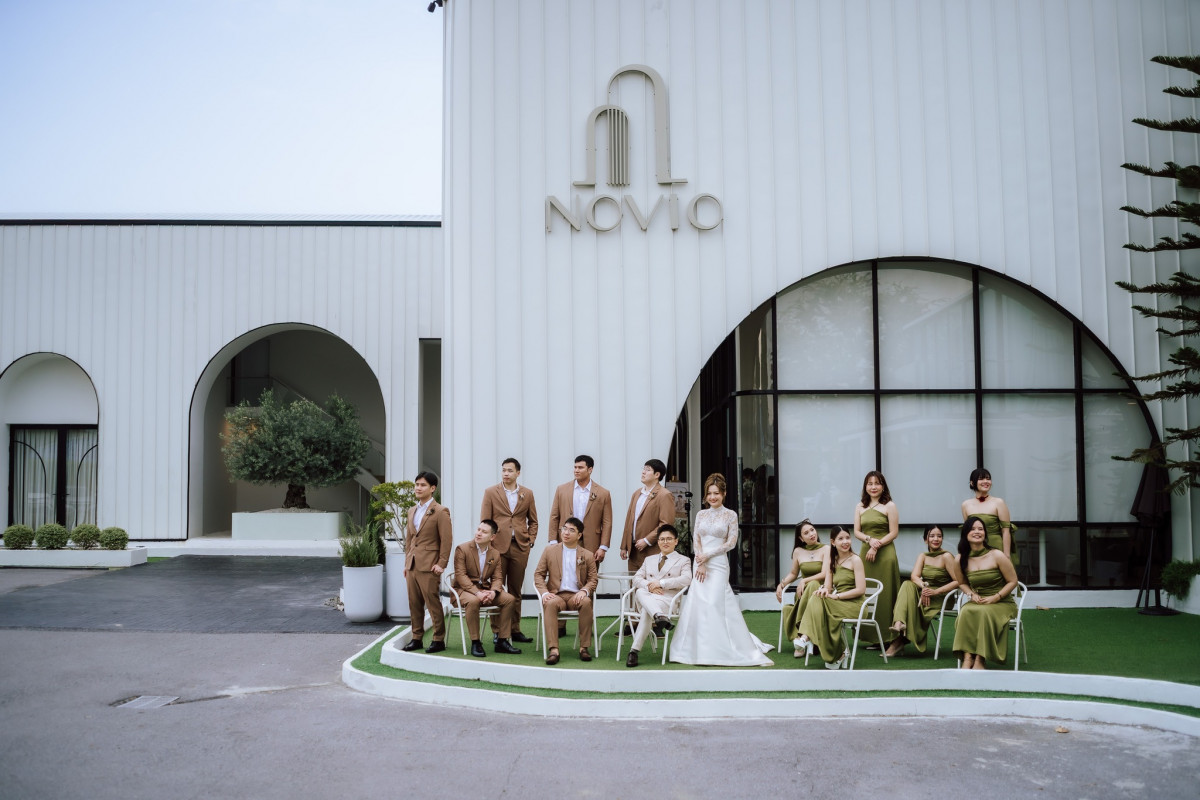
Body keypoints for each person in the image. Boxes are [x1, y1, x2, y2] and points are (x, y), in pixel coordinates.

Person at [669, 473, 773, 667]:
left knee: (714, 603)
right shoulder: (700, 514)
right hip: (700, 563)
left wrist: (707, 556)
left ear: (723, 494)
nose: (712, 497)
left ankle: (720, 648)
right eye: (709, 493)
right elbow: (696, 539)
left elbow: (731, 543)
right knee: (699, 603)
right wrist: (700, 561)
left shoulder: (730, 515)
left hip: (718, 564)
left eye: (716, 493)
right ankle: (696, 649)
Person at [479, 457, 538, 643]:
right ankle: (497, 631)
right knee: (496, 589)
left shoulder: (527, 493)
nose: (506, 473)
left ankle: (515, 629)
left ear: (518, 473)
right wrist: (488, 545)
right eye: (504, 470)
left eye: (510, 470)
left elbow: (533, 521)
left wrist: (530, 540)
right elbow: (485, 521)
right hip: (497, 547)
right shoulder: (491, 492)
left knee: (515, 590)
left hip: (520, 547)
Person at [884, 525, 962, 657]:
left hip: (942, 597)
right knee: (907, 584)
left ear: (942, 539)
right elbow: (914, 576)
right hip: (925, 594)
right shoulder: (923, 556)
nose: (936, 539)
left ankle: (899, 640)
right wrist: (924, 586)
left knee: (911, 603)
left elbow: (958, 581)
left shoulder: (946, 556)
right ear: (926, 539)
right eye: (932, 536)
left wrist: (936, 592)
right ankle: (899, 623)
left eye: (939, 536)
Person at [952, 515, 1019, 669]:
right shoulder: (960, 559)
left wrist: (996, 597)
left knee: (984, 613)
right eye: (973, 529)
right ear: (966, 534)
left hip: (1002, 602)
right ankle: (967, 657)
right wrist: (972, 594)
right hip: (979, 600)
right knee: (965, 611)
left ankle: (980, 659)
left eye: (980, 529)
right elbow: (962, 583)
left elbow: (1013, 581)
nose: (977, 532)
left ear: (985, 534)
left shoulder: (997, 555)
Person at [796, 525, 866, 669]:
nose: (845, 542)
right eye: (841, 539)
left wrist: (837, 596)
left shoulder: (855, 560)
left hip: (856, 606)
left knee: (820, 604)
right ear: (833, 542)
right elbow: (828, 588)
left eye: (847, 538)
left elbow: (861, 590)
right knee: (816, 596)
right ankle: (836, 651)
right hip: (838, 604)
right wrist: (823, 590)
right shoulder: (832, 561)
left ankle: (806, 636)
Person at [451, 520, 523, 657]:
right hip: (462, 591)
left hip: (484, 590)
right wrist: (477, 593)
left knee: (509, 599)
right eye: (478, 529)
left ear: (492, 537)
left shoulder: (495, 554)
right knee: (473, 601)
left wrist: (493, 592)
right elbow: (461, 576)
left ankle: (502, 641)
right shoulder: (462, 549)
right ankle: (476, 642)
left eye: (484, 532)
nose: (479, 533)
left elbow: (497, 578)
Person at [533, 517, 598, 664]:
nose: (566, 533)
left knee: (586, 602)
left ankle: (584, 648)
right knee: (550, 603)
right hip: (556, 595)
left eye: (571, 530)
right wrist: (544, 593)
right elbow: (538, 574)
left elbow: (593, 579)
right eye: (564, 528)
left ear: (579, 535)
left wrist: (584, 591)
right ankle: (554, 650)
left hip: (576, 595)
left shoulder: (587, 555)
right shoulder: (549, 550)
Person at [625, 524, 692, 668]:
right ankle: (659, 616)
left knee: (646, 611)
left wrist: (661, 583)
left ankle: (634, 651)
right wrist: (650, 585)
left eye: (669, 539)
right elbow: (636, 578)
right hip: (648, 596)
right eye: (662, 539)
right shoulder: (649, 559)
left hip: (667, 601)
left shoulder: (683, 560)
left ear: (676, 541)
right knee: (640, 591)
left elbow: (687, 579)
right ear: (658, 542)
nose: (665, 542)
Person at [402, 471, 453, 654]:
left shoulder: (440, 511)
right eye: (416, 484)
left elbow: (446, 540)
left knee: (432, 603)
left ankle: (438, 639)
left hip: (430, 565)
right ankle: (416, 638)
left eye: (422, 485)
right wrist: (406, 563)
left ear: (432, 488)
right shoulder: (412, 510)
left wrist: (441, 563)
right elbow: (410, 540)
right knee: (414, 603)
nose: (418, 488)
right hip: (413, 565)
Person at [853, 470, 900, 647]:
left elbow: (894, 532)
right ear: (865, 487)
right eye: (870, 484)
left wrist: (876, 545)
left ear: (883, 486)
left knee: (886, 594)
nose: (873, 487)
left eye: (877, 483)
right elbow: (856, 531)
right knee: (867, 591)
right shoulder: (860, 506)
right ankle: (870, 636)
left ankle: (889, 637)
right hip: (866, 553)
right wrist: (869, 540)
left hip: (886, 554)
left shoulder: (890, 506)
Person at [548, 454, 614, 564]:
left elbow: (607, 522)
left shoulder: (603, 493)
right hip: (565, 540)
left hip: (591, 542)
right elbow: (554, 516)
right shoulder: (562, 490)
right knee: (565, 571)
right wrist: (553, 541)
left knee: (589, 572)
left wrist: (603, 547)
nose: (576, 470)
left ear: (590, 470)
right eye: (575, 467)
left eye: (580, 467)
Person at [776, 519, 828, 657]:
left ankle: (801, 636)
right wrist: (781, 585)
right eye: (806, 533)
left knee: (814, 584)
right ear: (801, 538)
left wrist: (804, 580)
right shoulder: (798, 551)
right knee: (811, 585)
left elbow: (824, 573)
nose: (811, 534)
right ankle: (805, 638)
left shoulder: (826, 549)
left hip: (821, 593)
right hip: (802, 595)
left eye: (812, 530)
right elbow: (794, 573)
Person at [619, 458, 676, 573]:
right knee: (633, 582)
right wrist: (624, 546)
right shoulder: (637, 493)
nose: (643, 472)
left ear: (657, 475)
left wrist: (647, 540)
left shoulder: (664, 495)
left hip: (652, 550)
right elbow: (629, 520)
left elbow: (666, 524)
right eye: (643, 469)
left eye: (648, 470)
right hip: (633, 550)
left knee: (650, 582)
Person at [961, 467, 1019, 567]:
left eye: (988, 479)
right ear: (972, 483)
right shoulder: (966, 505)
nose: (986, 481)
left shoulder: (998, 502)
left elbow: (1006, 531)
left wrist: (1006, 555)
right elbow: (968, 532)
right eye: (981, 479)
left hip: (996, 545)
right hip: (975, 548)